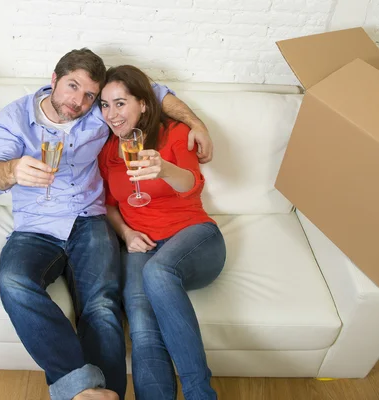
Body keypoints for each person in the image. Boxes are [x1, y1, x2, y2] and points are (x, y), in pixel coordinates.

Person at [0, 49, 213, 400]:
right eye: (72, 87)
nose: (78, 101)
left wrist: (197, 124)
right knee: (13, 281)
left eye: (90, 95)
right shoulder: (15, 117)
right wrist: (12, 170)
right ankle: (85, 389)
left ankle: (107, 394)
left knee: (102, 305)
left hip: (90, 220)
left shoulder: (102, 115)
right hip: (37, 226)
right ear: (54, 80)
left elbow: (153, 95)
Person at [98, 65, 227, 400]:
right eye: (105, 105)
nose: (112, 114)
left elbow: (192, 185)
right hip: (143, 245)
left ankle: (200, 393)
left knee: (159, 271)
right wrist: (125, 233)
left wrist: (165, 169)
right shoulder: (108, 151)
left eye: (120, 103)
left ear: (143, 103)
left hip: (194, 236)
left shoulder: (174, 132)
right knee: (141, 326)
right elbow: (109, 204)